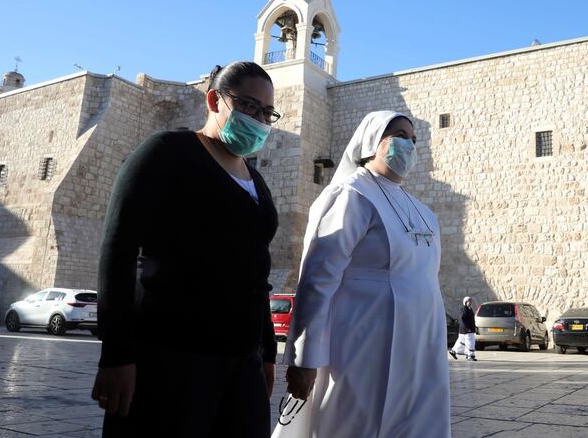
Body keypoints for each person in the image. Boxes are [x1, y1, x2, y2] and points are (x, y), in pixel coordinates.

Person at [92, 61, 281, 437]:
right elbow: (119, 250)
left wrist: (267, 350)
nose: (258, 119)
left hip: (241, 363)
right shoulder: (166, 152)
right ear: (214, 100)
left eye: (266, 112)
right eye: (247, 106)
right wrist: (117, 356)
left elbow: (256, 271)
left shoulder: (256, 181)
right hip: (170, 356)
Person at [273, 111, 451, 438]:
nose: (409, 144)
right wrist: (304, 358)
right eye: (399, 135)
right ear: (371, 140)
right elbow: (317, 280)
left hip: (420, 349)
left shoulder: (422, 211)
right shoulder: (350, 194)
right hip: (361, 346)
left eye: (413, 139)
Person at [449, 296, 477, 361]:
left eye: (470, 301)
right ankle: (470, 355)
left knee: (461, 342)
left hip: (465, 330)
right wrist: (468, 328)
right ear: (465, 302)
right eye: (468, 301)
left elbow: (471, 320)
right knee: (470, 341)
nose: (470, 302)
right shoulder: (464, 310)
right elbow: (462, 319)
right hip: (467, 330)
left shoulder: (470, 309)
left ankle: (453, 351)